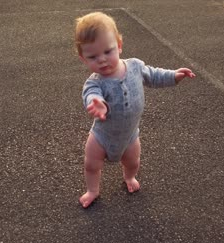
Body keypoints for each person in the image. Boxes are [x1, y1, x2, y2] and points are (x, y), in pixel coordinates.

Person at [75, 12, 195, 208]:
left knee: (133, 161)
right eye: (93, 56)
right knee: (91, 164)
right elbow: (91, 93)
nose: (102, 60)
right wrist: (96, 102)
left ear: (119, 46)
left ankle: (129, 178)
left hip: (130, 135)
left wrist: (174, 76)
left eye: (108, 51)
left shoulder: (136, 67)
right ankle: (93, 190)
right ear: (83, 59)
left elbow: (155, 75)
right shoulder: (94, 82)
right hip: (101, 136)